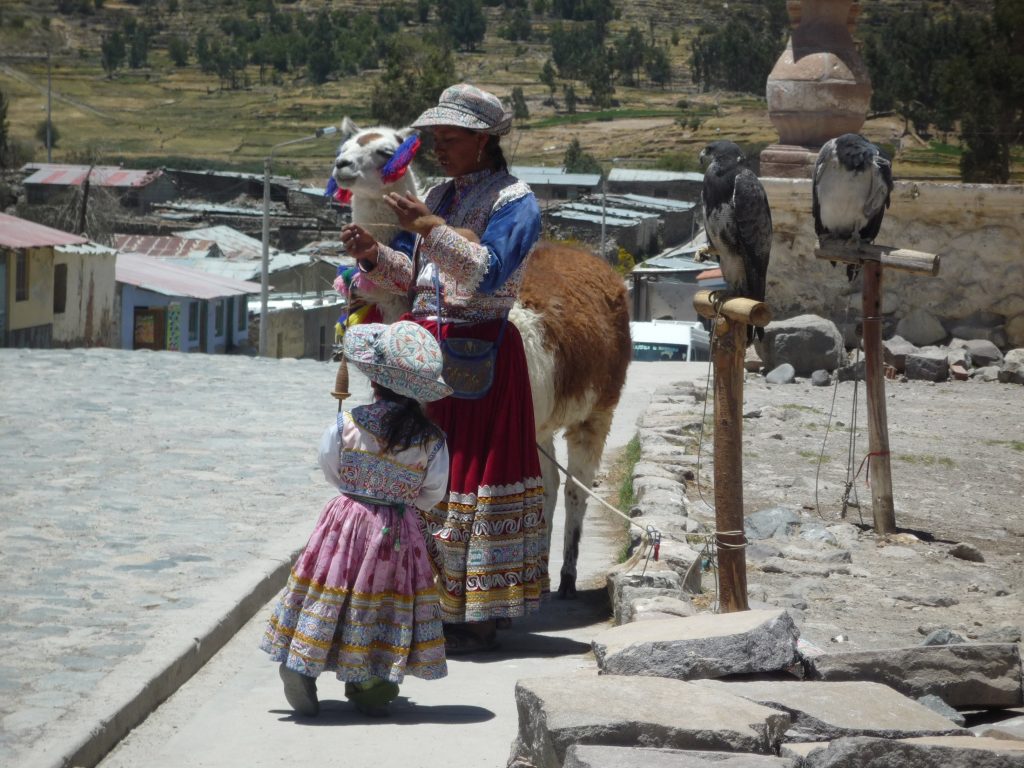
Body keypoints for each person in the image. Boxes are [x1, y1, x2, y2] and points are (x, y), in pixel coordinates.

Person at [339, 83, 547, 654]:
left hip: (480, 356)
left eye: (450, 139)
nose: (439, 149)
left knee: (474, 475)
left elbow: (484, 274)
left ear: (483, 141)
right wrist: (373, 254)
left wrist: (431, 226)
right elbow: (414, 278)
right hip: (426, 356)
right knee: (424, 474)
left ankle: (480, 607)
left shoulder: (515, 203)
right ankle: (422, 597)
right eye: (434, 139)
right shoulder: (441, 194)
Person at [259, 321, 452, 717]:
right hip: (396, 532)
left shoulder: (345, 424)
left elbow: (331, 467)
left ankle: (301, 664)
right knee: (378, 604)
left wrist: (360, 490)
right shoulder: (431, 440)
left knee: (330, 593)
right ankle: (367, 682)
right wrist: (398, 496)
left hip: (344, 521)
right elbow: (433, 493)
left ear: (375, 382)